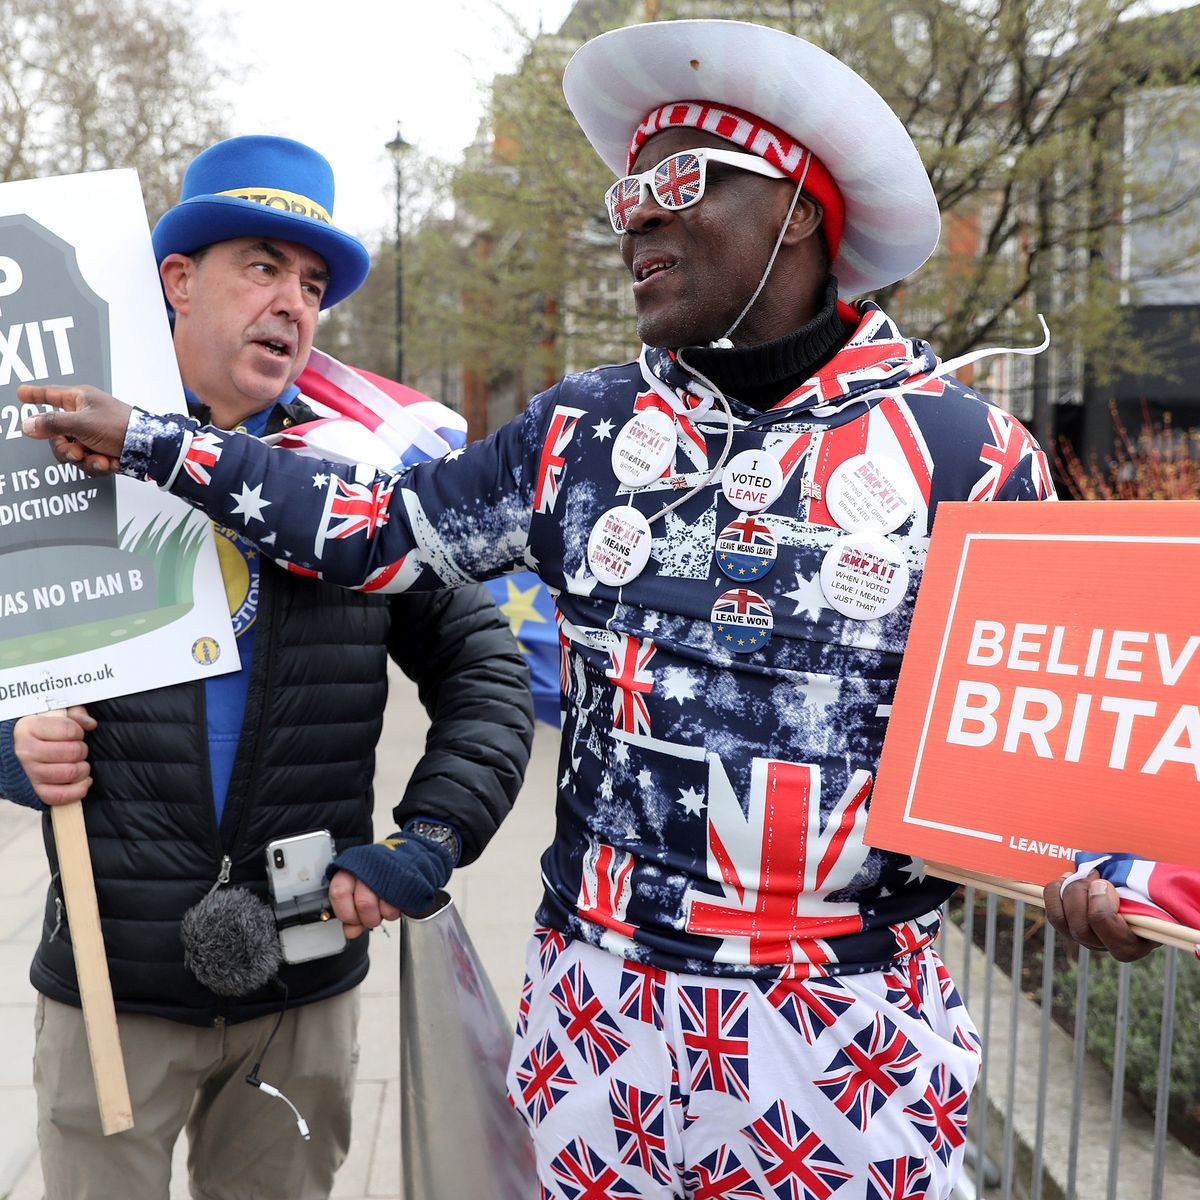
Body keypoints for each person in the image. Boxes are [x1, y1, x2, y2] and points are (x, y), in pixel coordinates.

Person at [23, 23, 1057, 1197]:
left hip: (843, 1040)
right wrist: (154, 443)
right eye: (628, 191)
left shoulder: (969, 456)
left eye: (677, 183)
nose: (635, 218)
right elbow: (375, 531)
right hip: (599, 1028)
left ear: (798, 210)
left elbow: (1059, 737)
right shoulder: (586, 432)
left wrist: (1103, 869)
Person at [2, 135, 533, 1200]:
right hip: (111, 988)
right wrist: (11, 746)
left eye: (312, 282)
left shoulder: (365, 493)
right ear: (178, 281)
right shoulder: (54, 466)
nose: (293, 301)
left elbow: (489, 676)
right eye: (262, 265)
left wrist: (431, 837)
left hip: (300, 996)